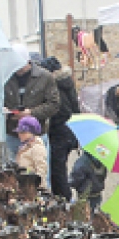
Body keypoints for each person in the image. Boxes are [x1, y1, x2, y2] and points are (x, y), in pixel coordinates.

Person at [2, 50, 60, 163]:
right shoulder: (5, 77)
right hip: (12, 134)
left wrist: (31, 113)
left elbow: (54, 105)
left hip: (36, 135)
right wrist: (5, 111)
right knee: (12, 175)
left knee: (39, 174)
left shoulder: (44, 77)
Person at [45, 57, 80, 200]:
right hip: (69, 131)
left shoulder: (54, 87)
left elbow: (57, 112)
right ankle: (64, 198)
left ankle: (65, 200)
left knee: (57, 170)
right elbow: (75, 108)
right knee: (60, 168)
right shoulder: (67, 84)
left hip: (59, 133)